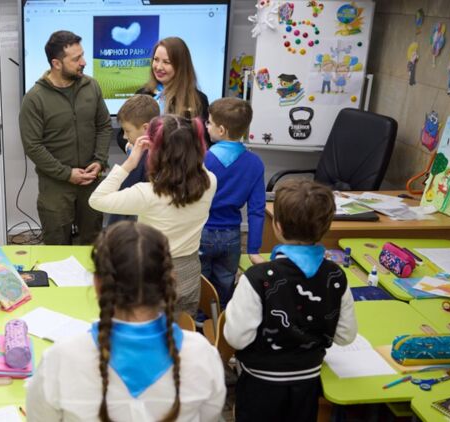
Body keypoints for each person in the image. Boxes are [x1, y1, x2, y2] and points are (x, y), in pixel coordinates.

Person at [26, 221, 226, 421]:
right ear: (169, 282)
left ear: (98, 285)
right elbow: (210, 416)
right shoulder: (204, 355)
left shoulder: (60, 359)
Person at [223, 180, 358, 422]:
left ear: (277, 226)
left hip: (259, 385)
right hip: (307, 383)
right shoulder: (336, 276)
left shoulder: (257, 278)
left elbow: (236, 338)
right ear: (327, 226)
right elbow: (346, 336)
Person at [89, 115, 216, 315]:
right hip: (189, 275)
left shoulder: (147, 193)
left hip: (154, 274)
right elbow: (195, 166)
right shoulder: (210, 181)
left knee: (149, 322)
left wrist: (130, 162)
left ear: (156, 153)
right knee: (181, 324)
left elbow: (97, 199)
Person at [20, 30, 112, 245]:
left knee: (93, 245)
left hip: (90, 181)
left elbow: (104, 126)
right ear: (56, 63)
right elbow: (33, 146)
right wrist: (67, 174)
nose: (84, 62)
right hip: (55, 187)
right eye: (76, 59)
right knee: (56, 245)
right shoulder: (34, 99)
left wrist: (99, 161)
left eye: (82, 55)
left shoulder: (92, 86)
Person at [200, 98, 265, 309]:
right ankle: (222, 316)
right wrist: (253, 249)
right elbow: (256, 210)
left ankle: (200, 320)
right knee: (226, 281)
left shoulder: (202, 159)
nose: (206, 126)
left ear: (221, 130)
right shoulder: (255, 163)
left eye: (209, 122)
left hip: (201, 232)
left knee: (200, 281)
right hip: (232, 236)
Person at [116, 37, 210, 152]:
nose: (158, 67)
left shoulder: (197, 100)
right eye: (156, 60)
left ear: (181, 66)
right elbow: (122, 134)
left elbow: (204, 142)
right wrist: (132, 148)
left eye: (166, 62)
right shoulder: (143, 94)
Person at [106, 94, 160, 226]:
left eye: (127, 131)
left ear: (146, 128)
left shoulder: (142, 159)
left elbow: (117, 204)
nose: (124, 137)